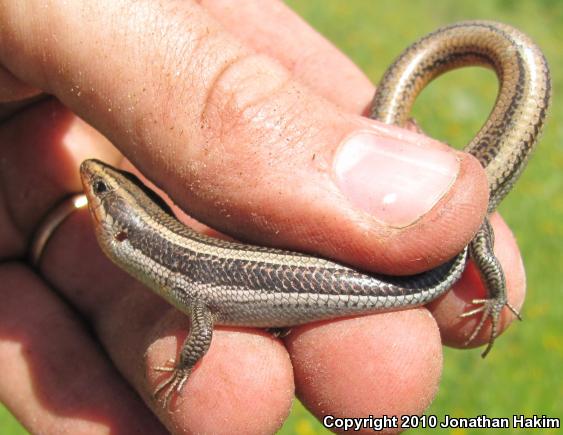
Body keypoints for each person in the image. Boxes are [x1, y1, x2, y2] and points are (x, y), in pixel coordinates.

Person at [0, 1, 525, 433]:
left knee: (469, 233)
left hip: (421, 266)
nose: (91, 185)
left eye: (99, 190)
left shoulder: (186, 278)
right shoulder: (181, 268)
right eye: (98, 187)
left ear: (120, 229)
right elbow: (204, 314)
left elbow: (203, 321)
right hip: (386, 274)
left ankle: (494, 291)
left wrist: (185, 365)